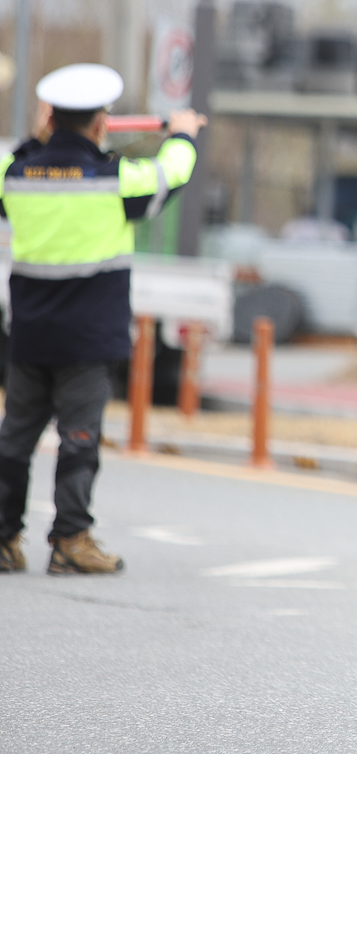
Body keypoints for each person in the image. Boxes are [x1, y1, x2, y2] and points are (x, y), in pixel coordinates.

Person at [0, 65, 207, 575]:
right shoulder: (115, 180)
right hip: (87, 340)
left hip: (28, 335)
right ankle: (71, 541)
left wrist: (40, 140)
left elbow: (18, 157)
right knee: (79, 440)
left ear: (49, 119)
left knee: (15, 440)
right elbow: (172, 172)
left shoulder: (16, 176)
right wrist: (182, 134)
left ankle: (3, 539)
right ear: (100, 124)